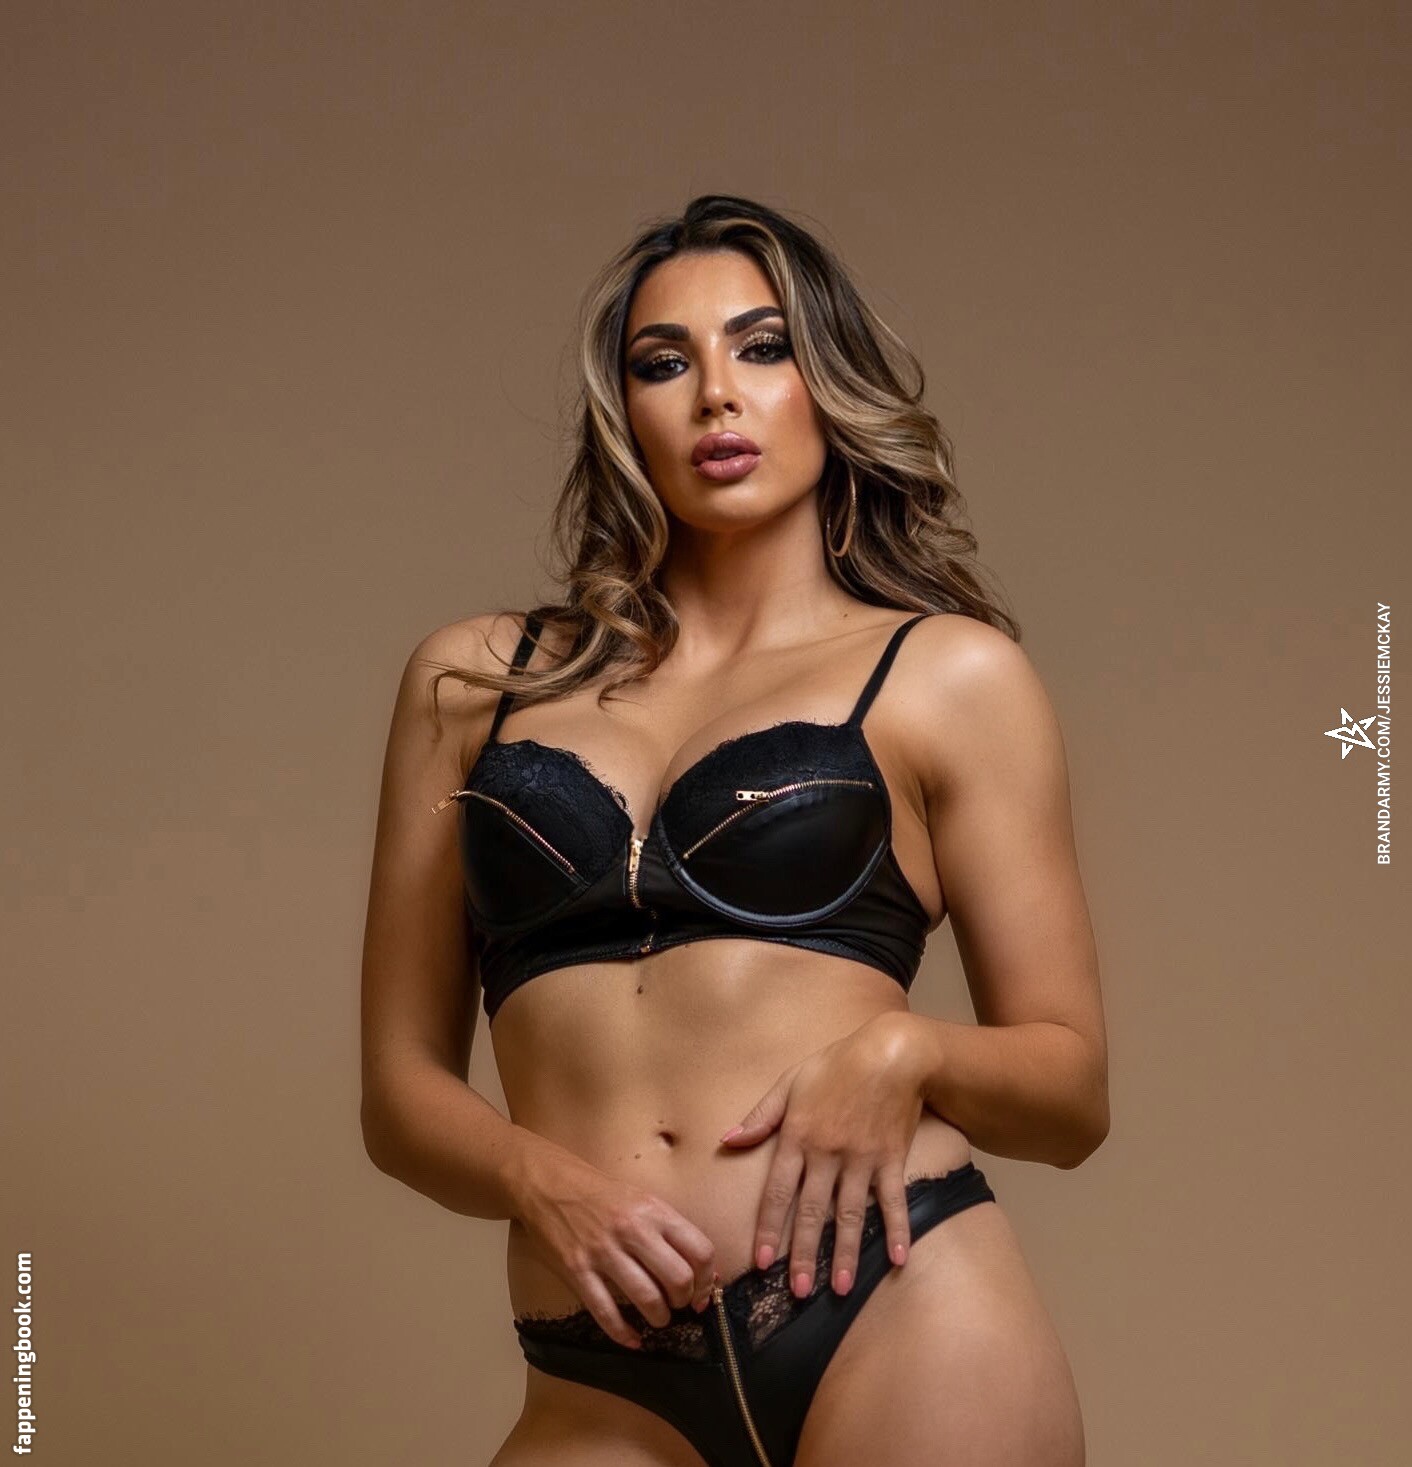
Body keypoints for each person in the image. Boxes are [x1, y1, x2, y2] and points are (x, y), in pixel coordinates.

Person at [360, 194, 1108, 1467]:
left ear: (828, 385)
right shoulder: (474, 681)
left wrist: (904, 1054)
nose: (715, 394)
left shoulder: (946, 677)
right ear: (623, 412)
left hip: (895, 1311)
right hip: (598, 1369)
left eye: (762, 349)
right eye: (664, 363)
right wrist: (544, 1183)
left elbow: (1070, 1094)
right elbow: (398, 1096)